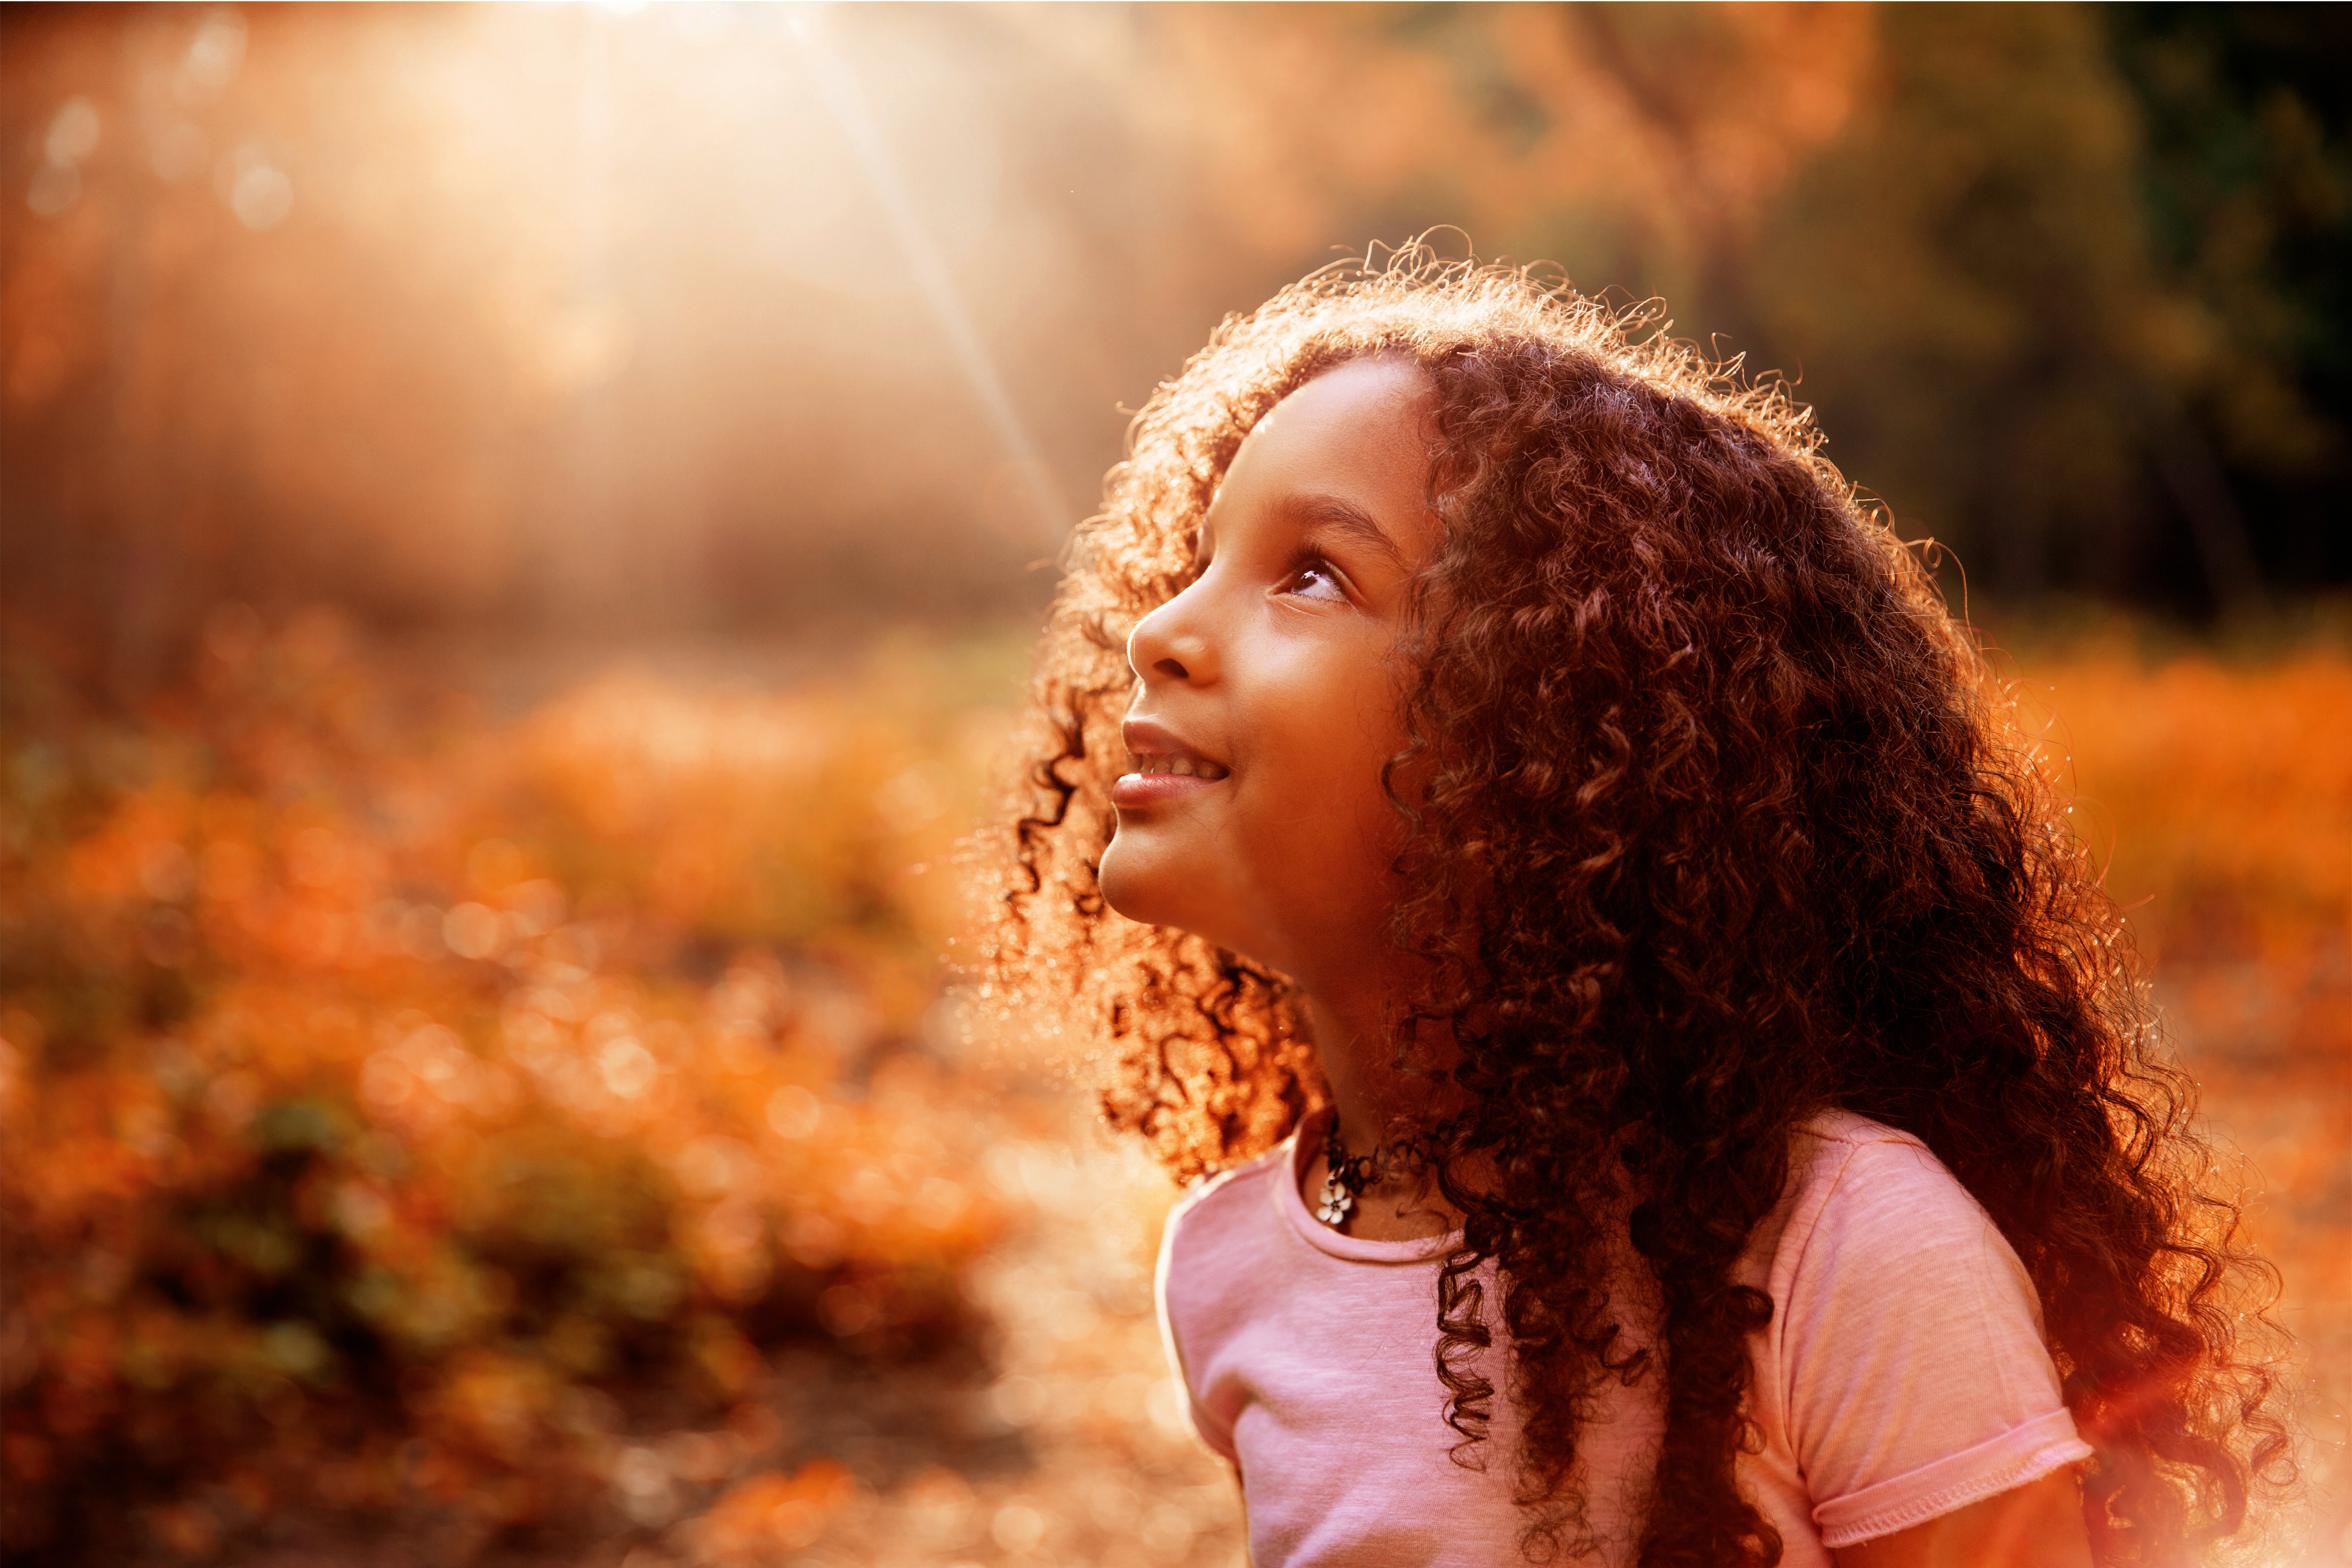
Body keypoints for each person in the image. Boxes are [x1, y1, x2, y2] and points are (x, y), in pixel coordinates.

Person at [984, 250, 2290, 1567]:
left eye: (1311, 573)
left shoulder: (1849, 1252)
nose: (1160, 629)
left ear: (1540, 741)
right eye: (1198, 560)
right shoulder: (1228, 1267)